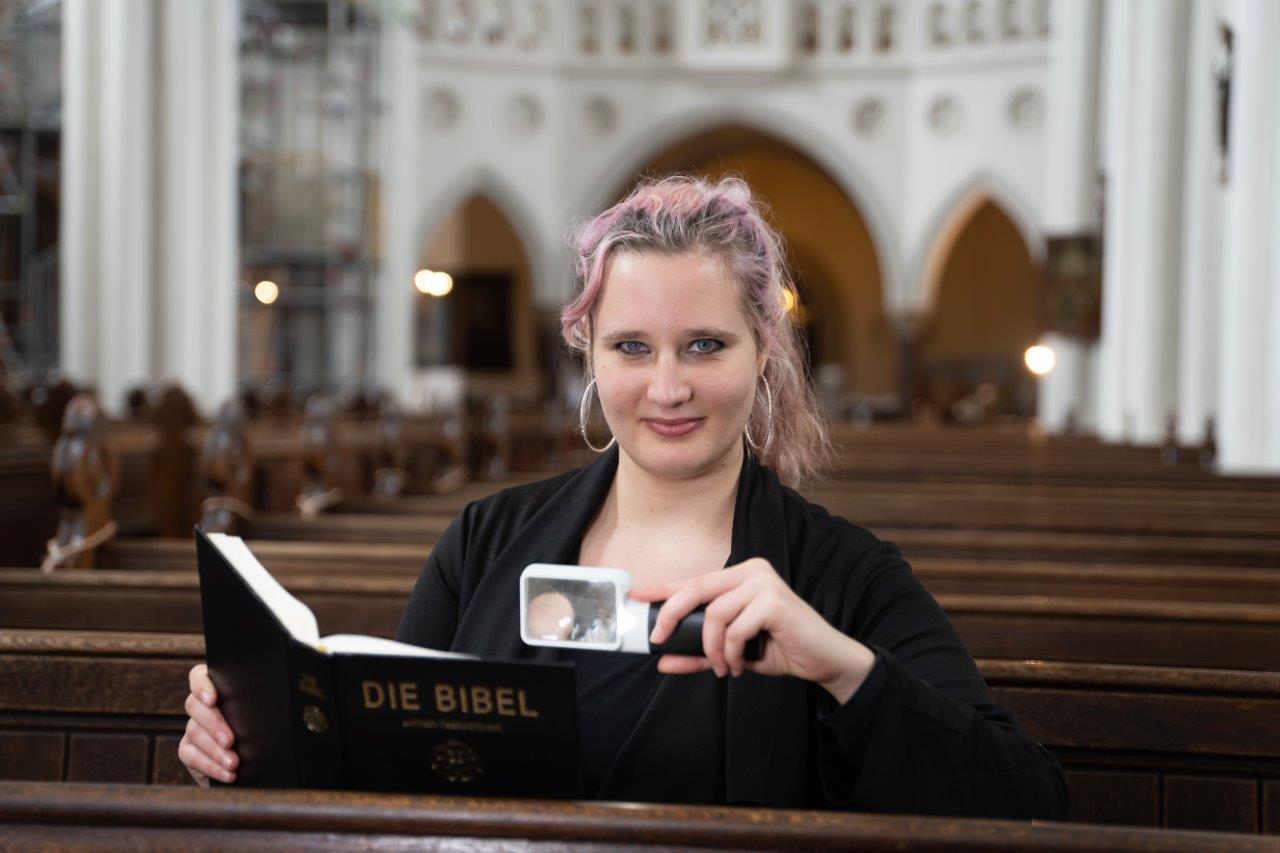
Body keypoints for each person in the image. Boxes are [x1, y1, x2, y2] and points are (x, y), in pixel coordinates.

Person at [180, 175, 1069, 818]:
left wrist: (839, 666)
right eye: (633, 347)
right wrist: (248, 739)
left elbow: (1028, 795)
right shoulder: (486, 541)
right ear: (589, 353)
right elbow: (381, 784)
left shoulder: (844, 576)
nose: (668, 387)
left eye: (706, 346)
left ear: (765, 351)